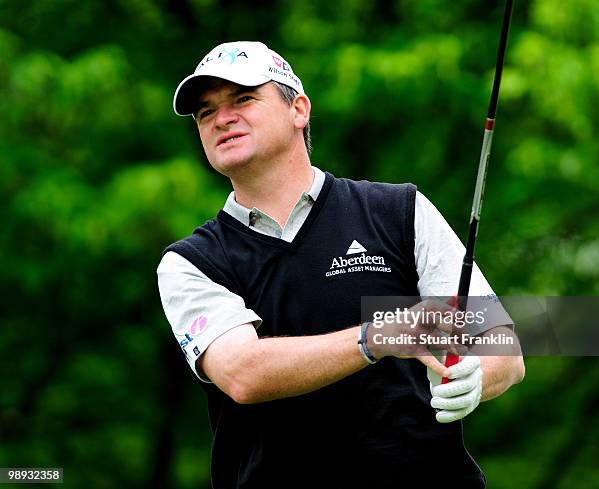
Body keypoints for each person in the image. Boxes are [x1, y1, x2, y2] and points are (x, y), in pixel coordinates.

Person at [157, 41, 524, 489]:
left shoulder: (399, 210)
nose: (222, 118)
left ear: (299, 110)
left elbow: (501, 345)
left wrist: (475, 378)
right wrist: (375, 337)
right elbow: (243, 373)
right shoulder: (192, 261)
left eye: (243, 99)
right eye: (204, 112)